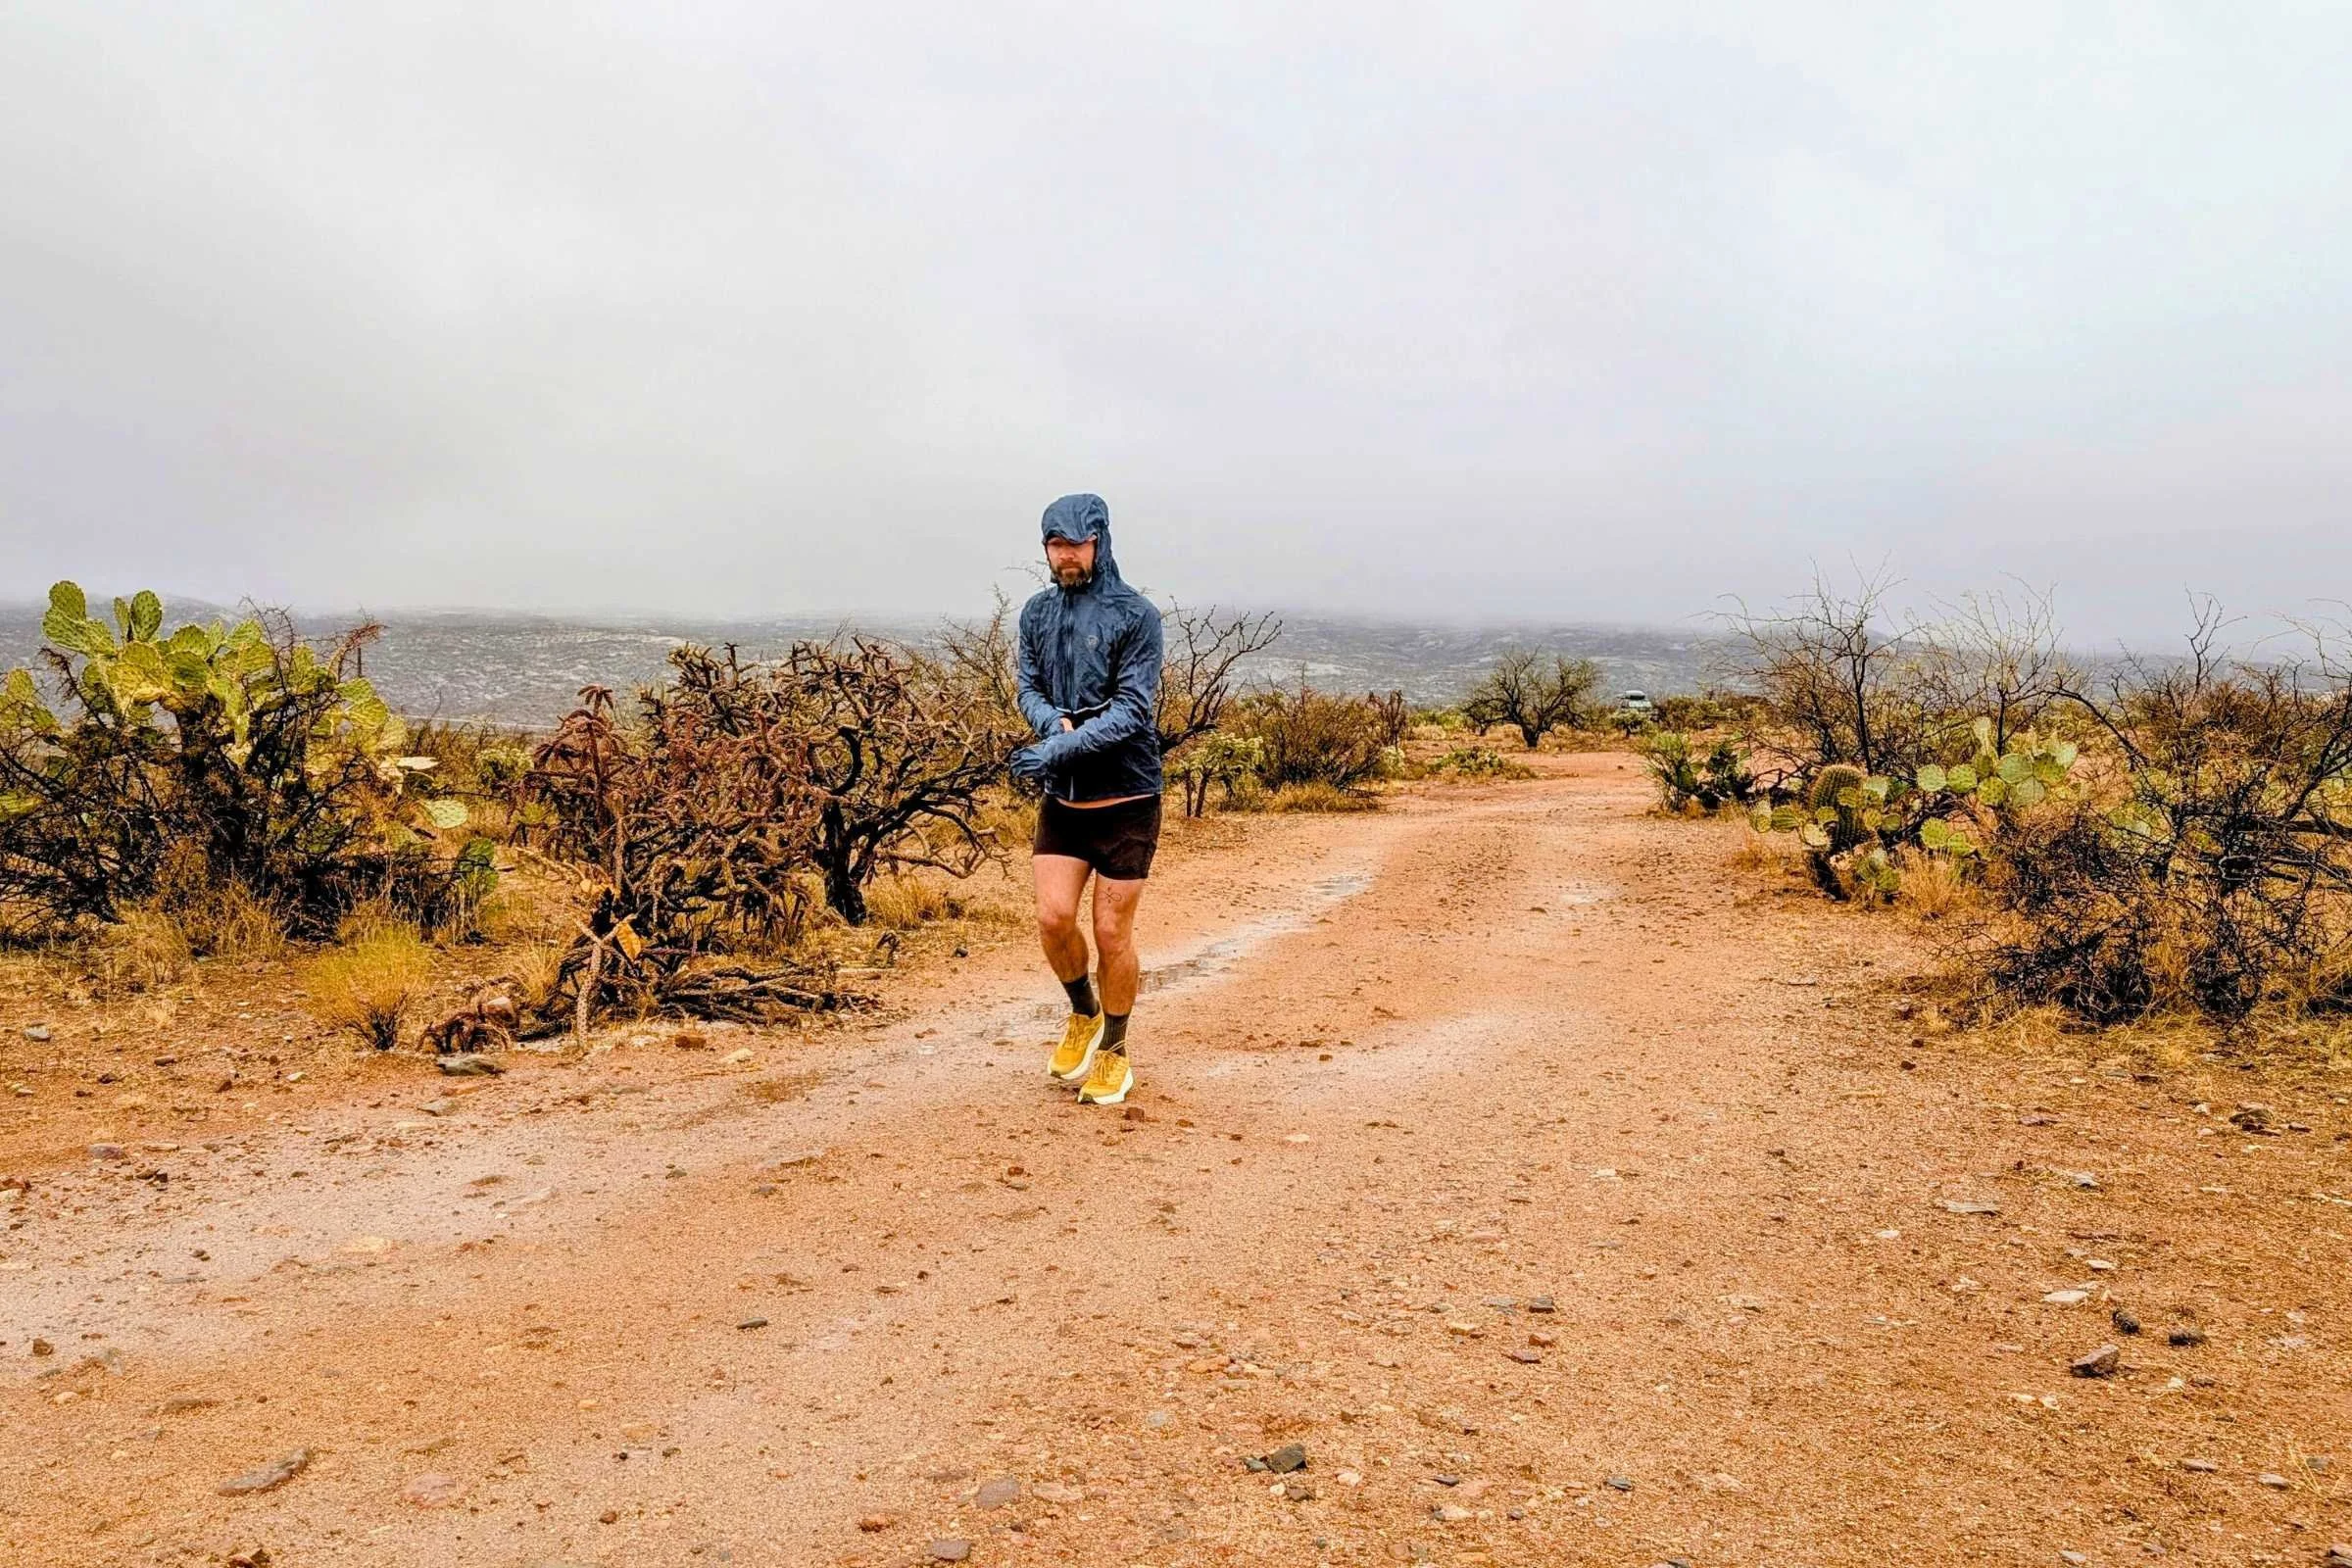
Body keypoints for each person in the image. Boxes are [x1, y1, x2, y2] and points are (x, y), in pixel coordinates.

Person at [1009, 493, 1164, 1106]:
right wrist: (1051, 726)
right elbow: (1028, 685)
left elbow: (1132, 710)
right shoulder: (1036, 614)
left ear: (1100, 542)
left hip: (1127, 796)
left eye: (1077, 543)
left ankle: (1116, 1052)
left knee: (1111, 932)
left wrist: (1057, 752)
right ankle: (1083, 1012)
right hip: (1065, 804)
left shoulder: (1137, 616)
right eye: (1056, 544)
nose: (1066, 555)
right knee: (1052, 920)